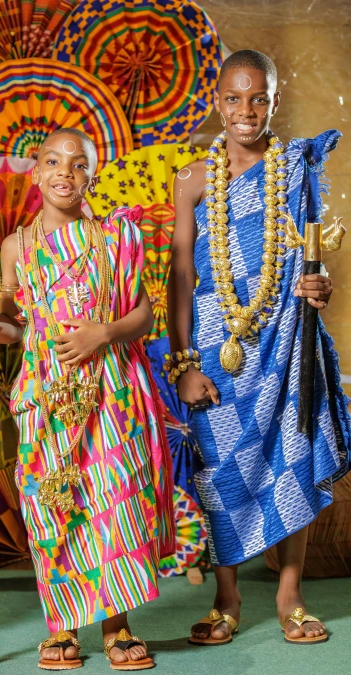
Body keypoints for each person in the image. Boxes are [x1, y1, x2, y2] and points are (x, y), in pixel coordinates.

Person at [0, 128, 175, 670]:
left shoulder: (114, 237)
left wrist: (103, 332)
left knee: (113, 498)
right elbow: (13, 324)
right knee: (54, 507)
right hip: (45, 395)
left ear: (90, 177)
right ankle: (63, 627)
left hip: (111, 390)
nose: (65, 173)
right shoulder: (16, 247)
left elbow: (143, 314)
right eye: (53, 161)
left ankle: (118, 628)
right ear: (36, 172)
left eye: (78, 165)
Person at [168, 49, 350, 646]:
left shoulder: (295, 168)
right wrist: (185, 362)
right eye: (234, 98)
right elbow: (179, 277)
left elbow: (310, 251)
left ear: (274, 101)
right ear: (217, 103)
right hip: (217, 345)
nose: (246, 110)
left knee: (292, 458)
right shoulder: (192, 180)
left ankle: (290, 595)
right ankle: (226, 599)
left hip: (284, 339)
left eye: (259, 98)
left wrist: (317, 285)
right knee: (218, 472)